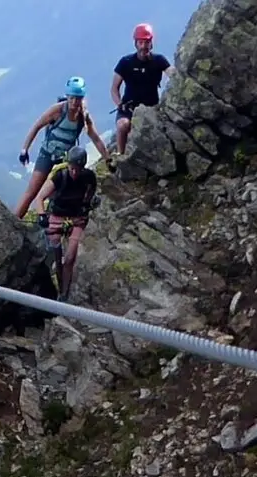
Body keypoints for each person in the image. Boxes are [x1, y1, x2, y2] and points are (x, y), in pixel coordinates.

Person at [12, 76, 111, 220]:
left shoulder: (84, 117)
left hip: (65, 160)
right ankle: (14, 220)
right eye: (71, 98)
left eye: (77, 98)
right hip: (47, 154)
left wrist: (108, 159)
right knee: (32, 192)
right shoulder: (57, 110)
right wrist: (24, 150)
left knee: (61, 190)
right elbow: (37, 126)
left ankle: (56, 221)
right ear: (67, 96)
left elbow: (95, 137)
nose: (74, 102)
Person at [29, 145, 99, 301]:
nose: (75, 172)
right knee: (56, 255)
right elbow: (40, 198)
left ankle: (64, 294)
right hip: (57, 216)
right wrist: (42, 215)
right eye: (72, 168)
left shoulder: (88, 177)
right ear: (68, 165)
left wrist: (87, 204)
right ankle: (60, 288)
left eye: (78, 169)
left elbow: (91, 191)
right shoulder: (59, 177)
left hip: (76, 218)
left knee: (69, 258)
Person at [110, 23, 173, 156]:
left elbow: (173, 74)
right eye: (141, 42)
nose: (143, 46)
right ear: (136, 43)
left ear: (151, 43)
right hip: (129, 108)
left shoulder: (159, 60)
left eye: (147, 42)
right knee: (122, 125)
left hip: (152, 108)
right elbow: (114, 88)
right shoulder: (126, 62)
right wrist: (120, 105)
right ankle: (121, 155)